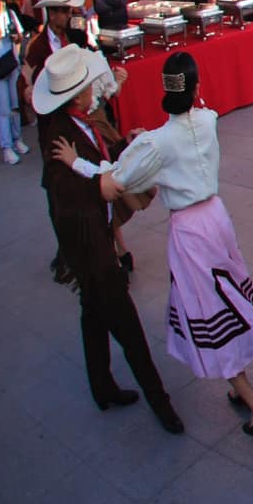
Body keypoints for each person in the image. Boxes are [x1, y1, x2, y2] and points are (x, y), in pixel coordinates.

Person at [66, 51, 253, 434]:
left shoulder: (156, 143)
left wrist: (77, 164)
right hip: (217, 217)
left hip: (189, 230)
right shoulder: (208, 119)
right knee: (228, 297)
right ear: (197, 88)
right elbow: (175, 141)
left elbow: (118, 180)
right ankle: (242, 390)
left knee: (208, 311)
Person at [34, 45, 183, 433]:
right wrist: (98, 186)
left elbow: (100, 156)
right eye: (87, 86)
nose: (93, 90)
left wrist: (122, 147)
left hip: (94, 235)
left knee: (92, 314)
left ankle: (102, 387)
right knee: (128, 326)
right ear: (75, 95)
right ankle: (161, 403)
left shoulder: (82, 121)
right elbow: (63, 194)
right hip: (89, 247)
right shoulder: (57, 137)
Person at [0, 0, 25, 165]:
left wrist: (16, 36)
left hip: (11, 64)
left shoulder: (10, 14)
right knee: (3, 109)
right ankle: (6, 148)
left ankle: (17, 139)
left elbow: (20, 35)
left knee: (14, 105)